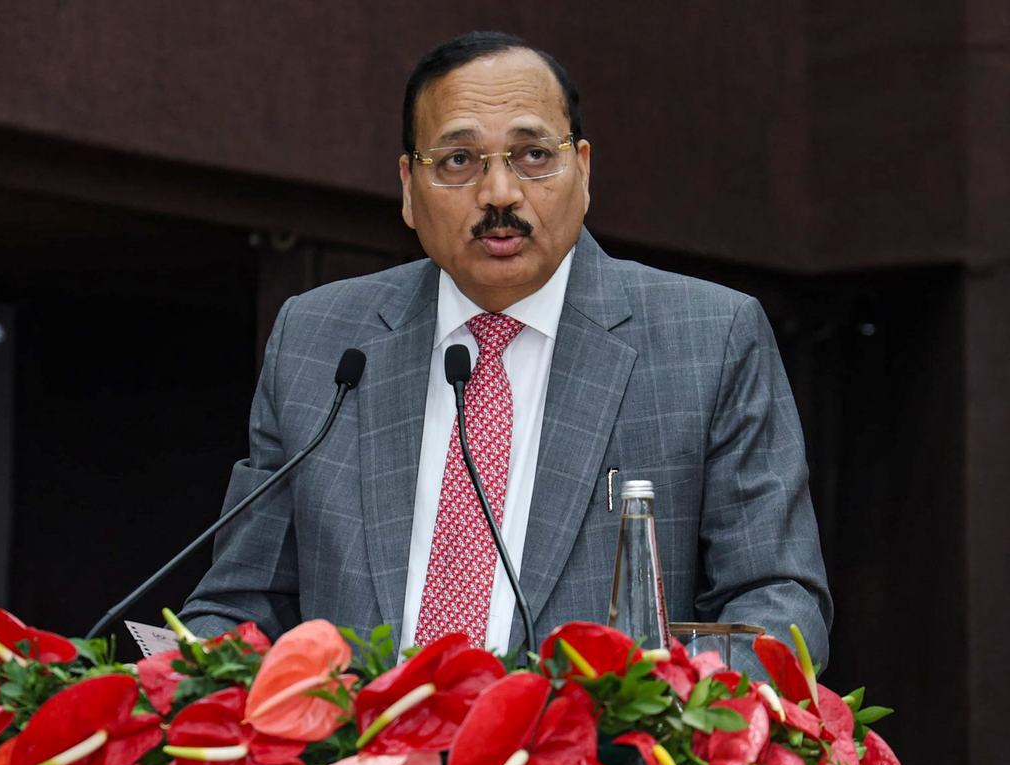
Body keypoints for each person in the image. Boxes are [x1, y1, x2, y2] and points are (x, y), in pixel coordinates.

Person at [180, 31, 831, 669]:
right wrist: (185, 681)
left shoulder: (708, 338)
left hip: (594, 741)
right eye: (458, 161)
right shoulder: (319, 339)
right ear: (408, 187)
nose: (499, 193)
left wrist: (652, 720)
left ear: (582, 170)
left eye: (532, 155)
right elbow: (242, 603)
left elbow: (776, 601)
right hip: (361, 741)